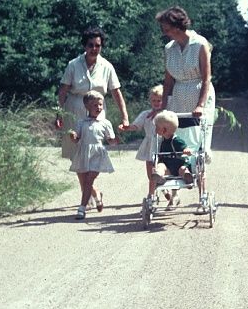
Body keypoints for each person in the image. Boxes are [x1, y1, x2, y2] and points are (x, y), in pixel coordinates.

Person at [56, 27, 130, 207]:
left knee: (93, 154)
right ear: (85, 45)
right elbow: (63, 90)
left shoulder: (107, 66)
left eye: (98, 45)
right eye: (90, 45)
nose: (94, 49)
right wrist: (59, 113)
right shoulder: (74, 65)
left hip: (97, 112)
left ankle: (88, 193)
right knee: (77, 155)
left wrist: (124, 117)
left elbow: (116, 93)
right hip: (75, 108)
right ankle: (91, 193)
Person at [155, 6, 215, 215]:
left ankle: (203, 195)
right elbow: (168, 81)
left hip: (199, 95)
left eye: (167, 28)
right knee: (174, 144)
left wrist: (200, 104)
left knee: (197, 148)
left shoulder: (200, 44)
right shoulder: (170, 48)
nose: (164, 32)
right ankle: (174, 192)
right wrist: (163, 109)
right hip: (178, 98)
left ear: (178, 26)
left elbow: (206, 78)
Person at [120, 84, 179, 210]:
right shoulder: (146, 114)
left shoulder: (168, 114)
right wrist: (126, 127)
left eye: (159, 100)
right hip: (150, 145)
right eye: (154, 100)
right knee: (151, 174)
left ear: (164, 101)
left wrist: (158, 112)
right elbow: (136, 126)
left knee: (170, 169)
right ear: (150, 100)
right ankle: (152, 196)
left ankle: (174, 194)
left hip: (165, 145)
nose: (156, 103)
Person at [68, 91, 122, 220]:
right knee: (85, 181)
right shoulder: (81, 123)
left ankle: (82, 208)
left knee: (89, 180)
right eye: (95, 105)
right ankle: (97, 197)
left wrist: (117, 139)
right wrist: (73, 137)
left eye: (100, 105)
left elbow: (111, 140)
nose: (98, 108)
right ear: (86, 106)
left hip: (98, 154)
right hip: (83, 153)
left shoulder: (105, 123)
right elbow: (77, 140)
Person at [150, 110, 194, 187]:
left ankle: (187, 176)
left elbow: (184, 147)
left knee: (183, 169)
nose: (156, 130)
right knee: (161, 166)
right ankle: (159, 176)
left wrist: (186, 150)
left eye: (157, 127)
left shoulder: (176, 140)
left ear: (164, 130)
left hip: (179, 164)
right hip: (168, 166)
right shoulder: (162, 140)